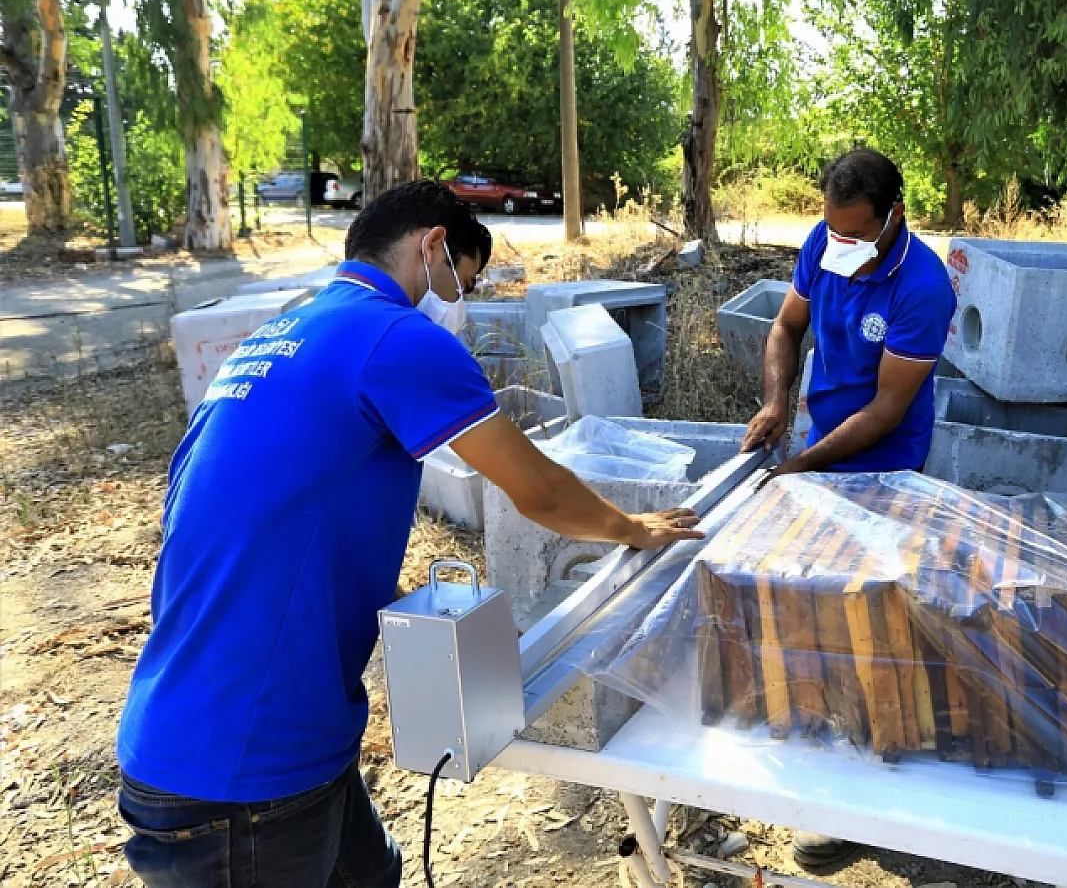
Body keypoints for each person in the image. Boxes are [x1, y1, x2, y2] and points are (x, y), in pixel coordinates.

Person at [115, 180, 702, 887]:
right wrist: (630, 527)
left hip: (235, 728)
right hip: (244, 771)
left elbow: (267, 514)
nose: (456, 302)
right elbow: (539, 491)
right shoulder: (395, 336)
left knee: (374, 874)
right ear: (432, 247)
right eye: (462, 280)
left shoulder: (283, 334)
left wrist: (425, 618)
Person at [741, 147, 957, 868]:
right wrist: (777, 402)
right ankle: (829, 765)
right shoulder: (826, 241)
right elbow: (784, 329)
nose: (845, 249)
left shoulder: (922, 287)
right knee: (818, 614)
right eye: (834, 233)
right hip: (817, 447)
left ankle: (874, 796)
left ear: (896, 215)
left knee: (876, 625)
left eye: (858, 236)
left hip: (884, 469)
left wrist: (802, 468)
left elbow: (891, 407)